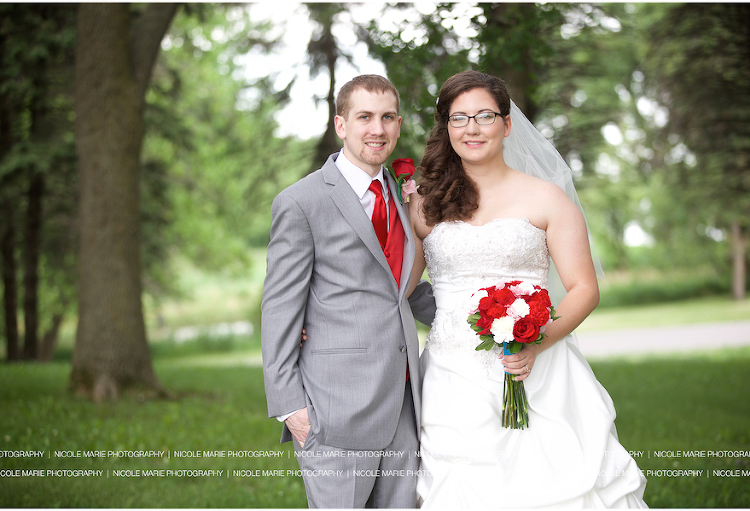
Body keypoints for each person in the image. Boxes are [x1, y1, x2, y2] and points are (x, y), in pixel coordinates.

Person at [407, 70, 648, 508]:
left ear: (506, 124)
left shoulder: (547, 198)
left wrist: (536, 343)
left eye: (484, 116)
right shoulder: (425, 205)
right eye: (459, 118)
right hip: (450, 376)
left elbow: (583, 288)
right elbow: (398, 286)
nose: (472, 128)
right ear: (446, 127)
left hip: (538, 369)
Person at [261, 74, 436, 509]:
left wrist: (481, 315)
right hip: (334, 408)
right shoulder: (301, 202)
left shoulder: (402, 196)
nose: (377, 129)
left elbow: (400, 288)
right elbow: (280, 308)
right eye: (364, 117)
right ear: (341, 124)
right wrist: (290, 408)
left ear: (398, 125)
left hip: (403, 403)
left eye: (387, 117)